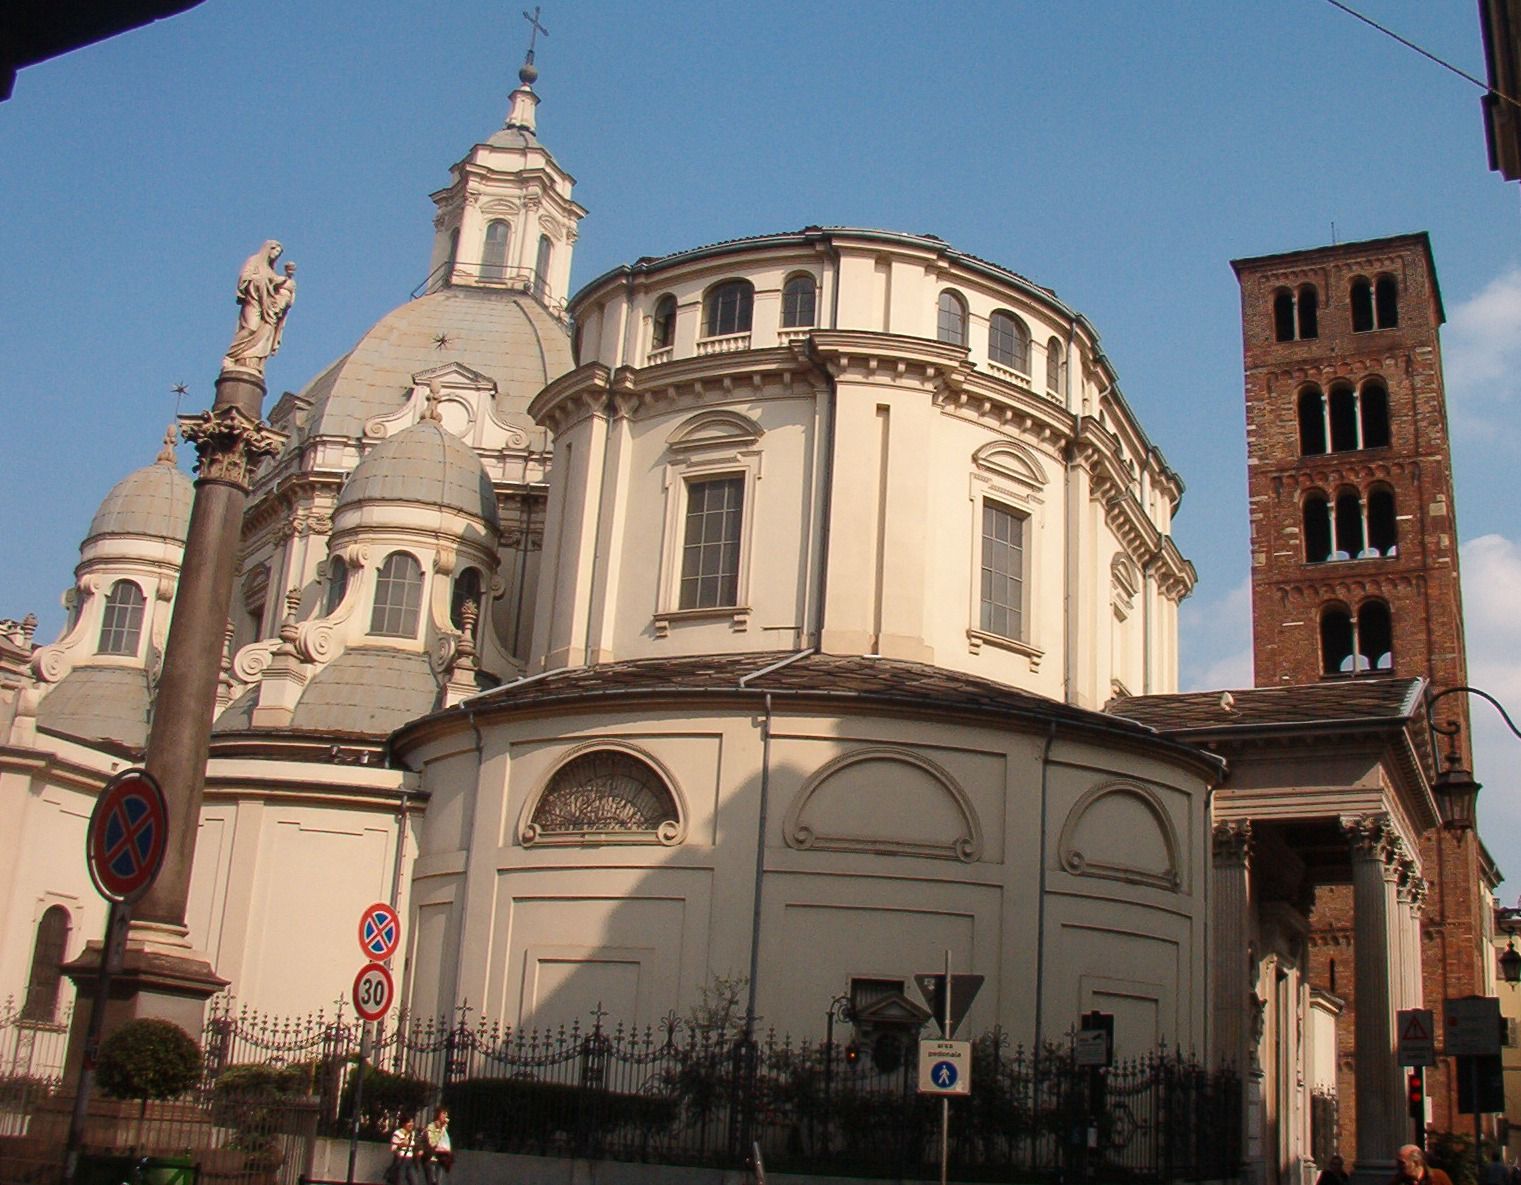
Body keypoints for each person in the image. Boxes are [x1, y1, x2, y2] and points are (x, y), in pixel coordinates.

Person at [223, 240, 297, 373]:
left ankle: (253, 362)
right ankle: (231, 355)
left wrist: (287, 278)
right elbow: (245, 277)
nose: (276, 255)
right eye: (275, 251)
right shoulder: (255, 261)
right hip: (254, 300)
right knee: (250, 328)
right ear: (268, 249)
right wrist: (260, 281)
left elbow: (276, 286)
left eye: (279, 253)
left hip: (267, 308)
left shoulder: (270, 270)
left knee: (266, 331)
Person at [389, 1116, 423, 1185]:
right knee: (400, 1181)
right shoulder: (397, 1133)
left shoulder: (412, 1133)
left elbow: (417, 1144)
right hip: (401, 1160)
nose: (411, 1124)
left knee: (414, 1182)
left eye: (412, 1122)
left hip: (411, 1160)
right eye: (409, 1122)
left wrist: (419, 1150)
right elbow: (393, 1148)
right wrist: (401, 1145)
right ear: (403, 1124)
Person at [423, 1107, 452, 1183]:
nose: (445, 1116)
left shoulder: (443, 1128)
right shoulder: (431, 1126)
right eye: (443, 1113)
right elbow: (432, 1142)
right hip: (432, 1159)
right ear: (438, 1115)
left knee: (438, 1182)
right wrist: (441, 1130)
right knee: (432, 1181)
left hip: (441, 1159)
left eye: (446, 1114)